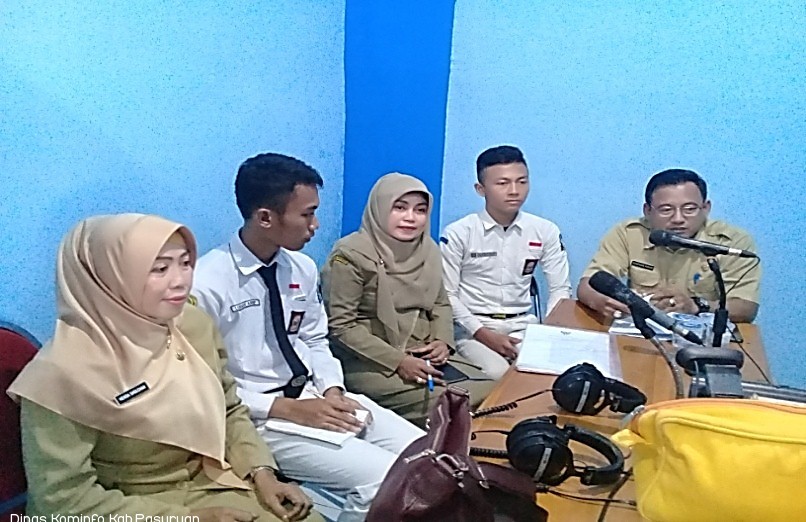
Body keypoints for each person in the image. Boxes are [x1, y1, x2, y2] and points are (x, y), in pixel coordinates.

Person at [8, 214, 317, 522]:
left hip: (214, 481)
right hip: (130, 507)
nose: (181, 280)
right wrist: (190, 518)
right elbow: (63, 500)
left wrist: (262, 472)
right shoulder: (59, 374)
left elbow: (229, 409)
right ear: (108, 277)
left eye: (185, 263)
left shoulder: (192, 326)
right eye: (160, 269)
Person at [192, 153, 424, 522]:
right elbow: (204, 384)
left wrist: (332, 391)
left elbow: (315, 339)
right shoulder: (207, 283)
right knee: (383, 481)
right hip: (258, 417)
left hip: (314, 395)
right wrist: (287, 409)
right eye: (307, 214)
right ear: (265, 217)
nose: (315, 225)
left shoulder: (300, 267)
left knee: (425, 455)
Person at [321, 172, 494, 427]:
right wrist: (399, 361)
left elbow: (440, 303)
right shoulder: (350, 256)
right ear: (380, 207)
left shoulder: (428, 249)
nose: (410, 218)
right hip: (369, 362)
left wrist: (443, 341)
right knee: (456, 404)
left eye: (420, 210)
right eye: (400, 208)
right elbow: (342, 327)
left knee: (496, 392)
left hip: (424, 355)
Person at [440, 145, 572, 379]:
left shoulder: (545, 230)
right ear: (480, 189)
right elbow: (448, 295)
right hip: (473, 330)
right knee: (498, 374)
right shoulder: (459, 233)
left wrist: (549, 331)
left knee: (553, 372)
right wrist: (483, 334)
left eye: (522, 182)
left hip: (523, 326)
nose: (514, 191)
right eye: (502, 183)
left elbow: (560, 288)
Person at [578, 168, 760, 323]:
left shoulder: (732, 242)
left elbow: (746, 308)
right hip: (643, 330)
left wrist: (697, 306)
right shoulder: (628, 234)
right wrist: (604, 303)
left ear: (706, 208)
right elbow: (588, 284)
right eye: (666, 210)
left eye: (689, 209)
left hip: (702, 335)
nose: (678, 219)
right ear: (647, 211)